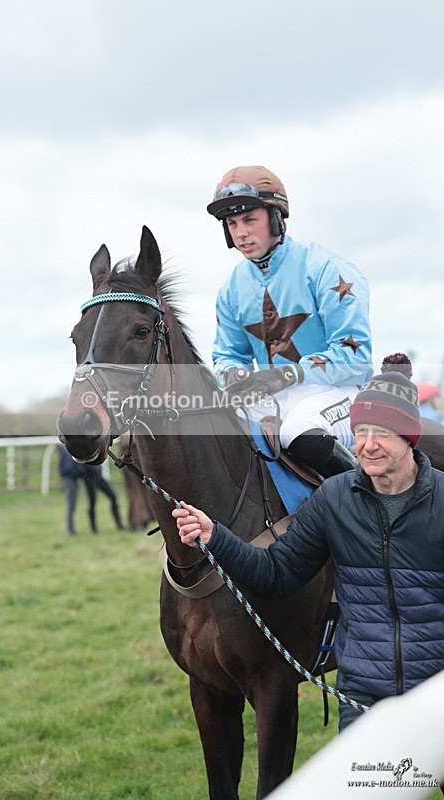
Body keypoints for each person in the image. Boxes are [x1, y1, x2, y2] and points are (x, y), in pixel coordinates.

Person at [172, 370, 444, 732]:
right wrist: (216, 537)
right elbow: (277, 572)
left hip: (435, 691)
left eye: (383, 432)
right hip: (364, 697)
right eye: (360, 431)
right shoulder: (334, 499)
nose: (368, 444)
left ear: (409, 437)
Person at [207, 165, 373, 477]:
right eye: (232, 223)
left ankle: (364, 500)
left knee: (299, 429)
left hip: (341, 391)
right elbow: (227, 355)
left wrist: (286, 375)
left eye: (249, 220)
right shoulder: (232, 286)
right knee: (214, 424)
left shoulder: (327, 269)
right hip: (275, 397)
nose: (240, 232)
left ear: (274, 218)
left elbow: (357, 357)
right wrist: (237, 378)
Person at [83, 465, 125, 533]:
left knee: (113, 496)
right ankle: (93, 529)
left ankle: (119, 524)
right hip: (90, 478)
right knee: (92, 502)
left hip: (99, 477)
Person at [58, 443, 86, 535]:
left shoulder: (69, 448)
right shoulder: (66, 449)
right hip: (69, 478)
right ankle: (70, 529)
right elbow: (66, 466)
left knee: (72, 504)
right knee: (71, 504)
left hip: (73, 478)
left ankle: (71, 528)